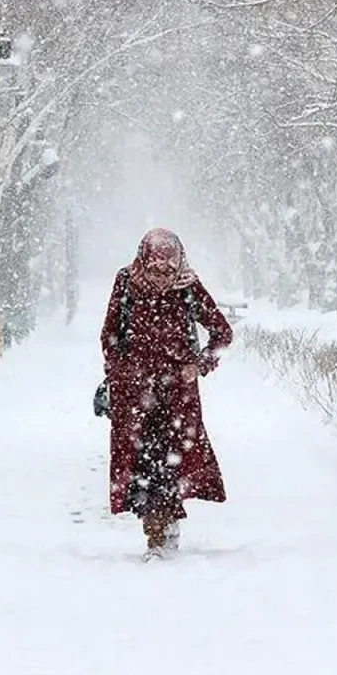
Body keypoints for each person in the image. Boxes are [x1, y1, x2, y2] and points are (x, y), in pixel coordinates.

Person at [99, 227, 234, 559]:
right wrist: (119, 370)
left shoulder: (188, 288)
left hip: (178, 396)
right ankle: (155, 531)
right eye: (156, 269)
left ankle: (164, 530)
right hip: (135, 394)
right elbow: (110, 334)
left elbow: (222, 333)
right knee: (142, 464)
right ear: (144, 261)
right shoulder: (126, 283)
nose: (162, 277)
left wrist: (200, 365)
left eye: (169, 270)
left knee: (171, 462)